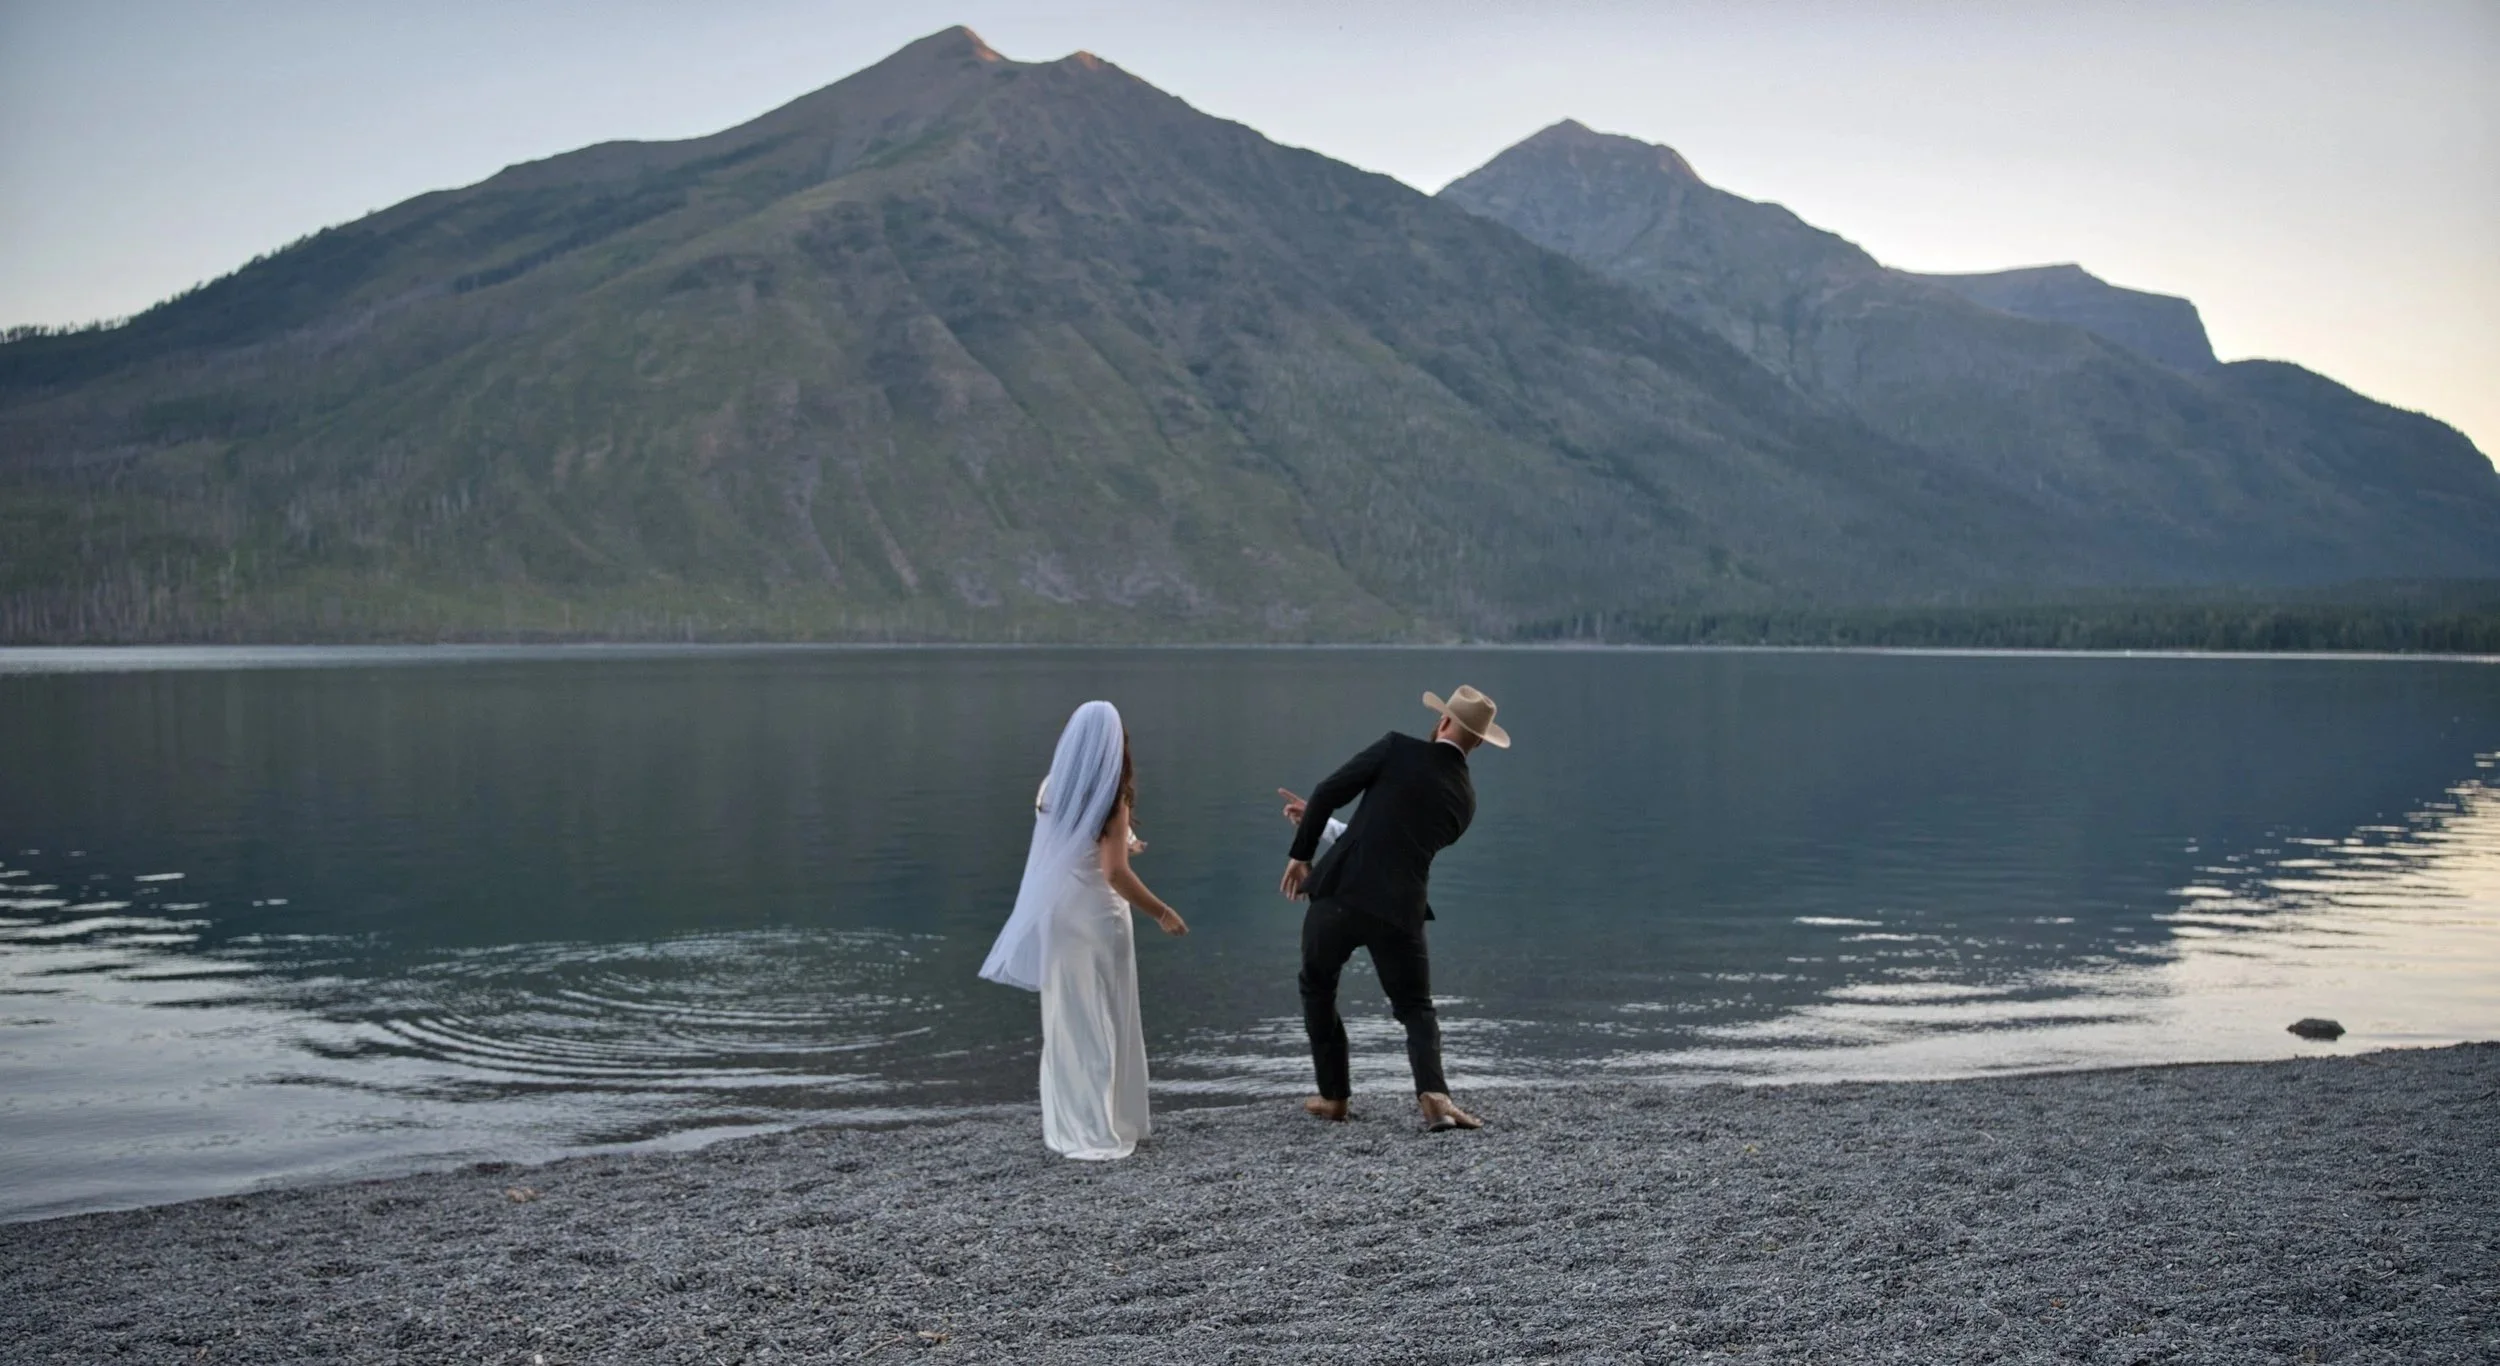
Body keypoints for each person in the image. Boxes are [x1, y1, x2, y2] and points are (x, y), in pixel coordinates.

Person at [1279, 685, 1508, 1132]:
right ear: (1478, 742)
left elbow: (1328, 791)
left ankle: (1334, 1098)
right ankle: (1435, 1096)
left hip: (1341, 894)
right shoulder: (1465, 801)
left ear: (1443, 721)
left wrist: (1301, 852)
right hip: (1401, 911)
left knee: (1318, 986)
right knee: (1415, 1007)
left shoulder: (1395, 748)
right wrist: (1320, 824)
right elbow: (1394, 839)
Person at [980, 701, 1187, 1159]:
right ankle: (1108, 1124)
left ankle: (1072, 1123)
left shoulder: (1051, 788)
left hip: (1060, 916)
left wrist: (1126, 840)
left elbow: (1071, 845)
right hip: (1098, 919)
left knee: (1070, 1020)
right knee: (1106, 1016)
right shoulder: (1113, 795)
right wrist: (1162, 911)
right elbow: (1113, 873)